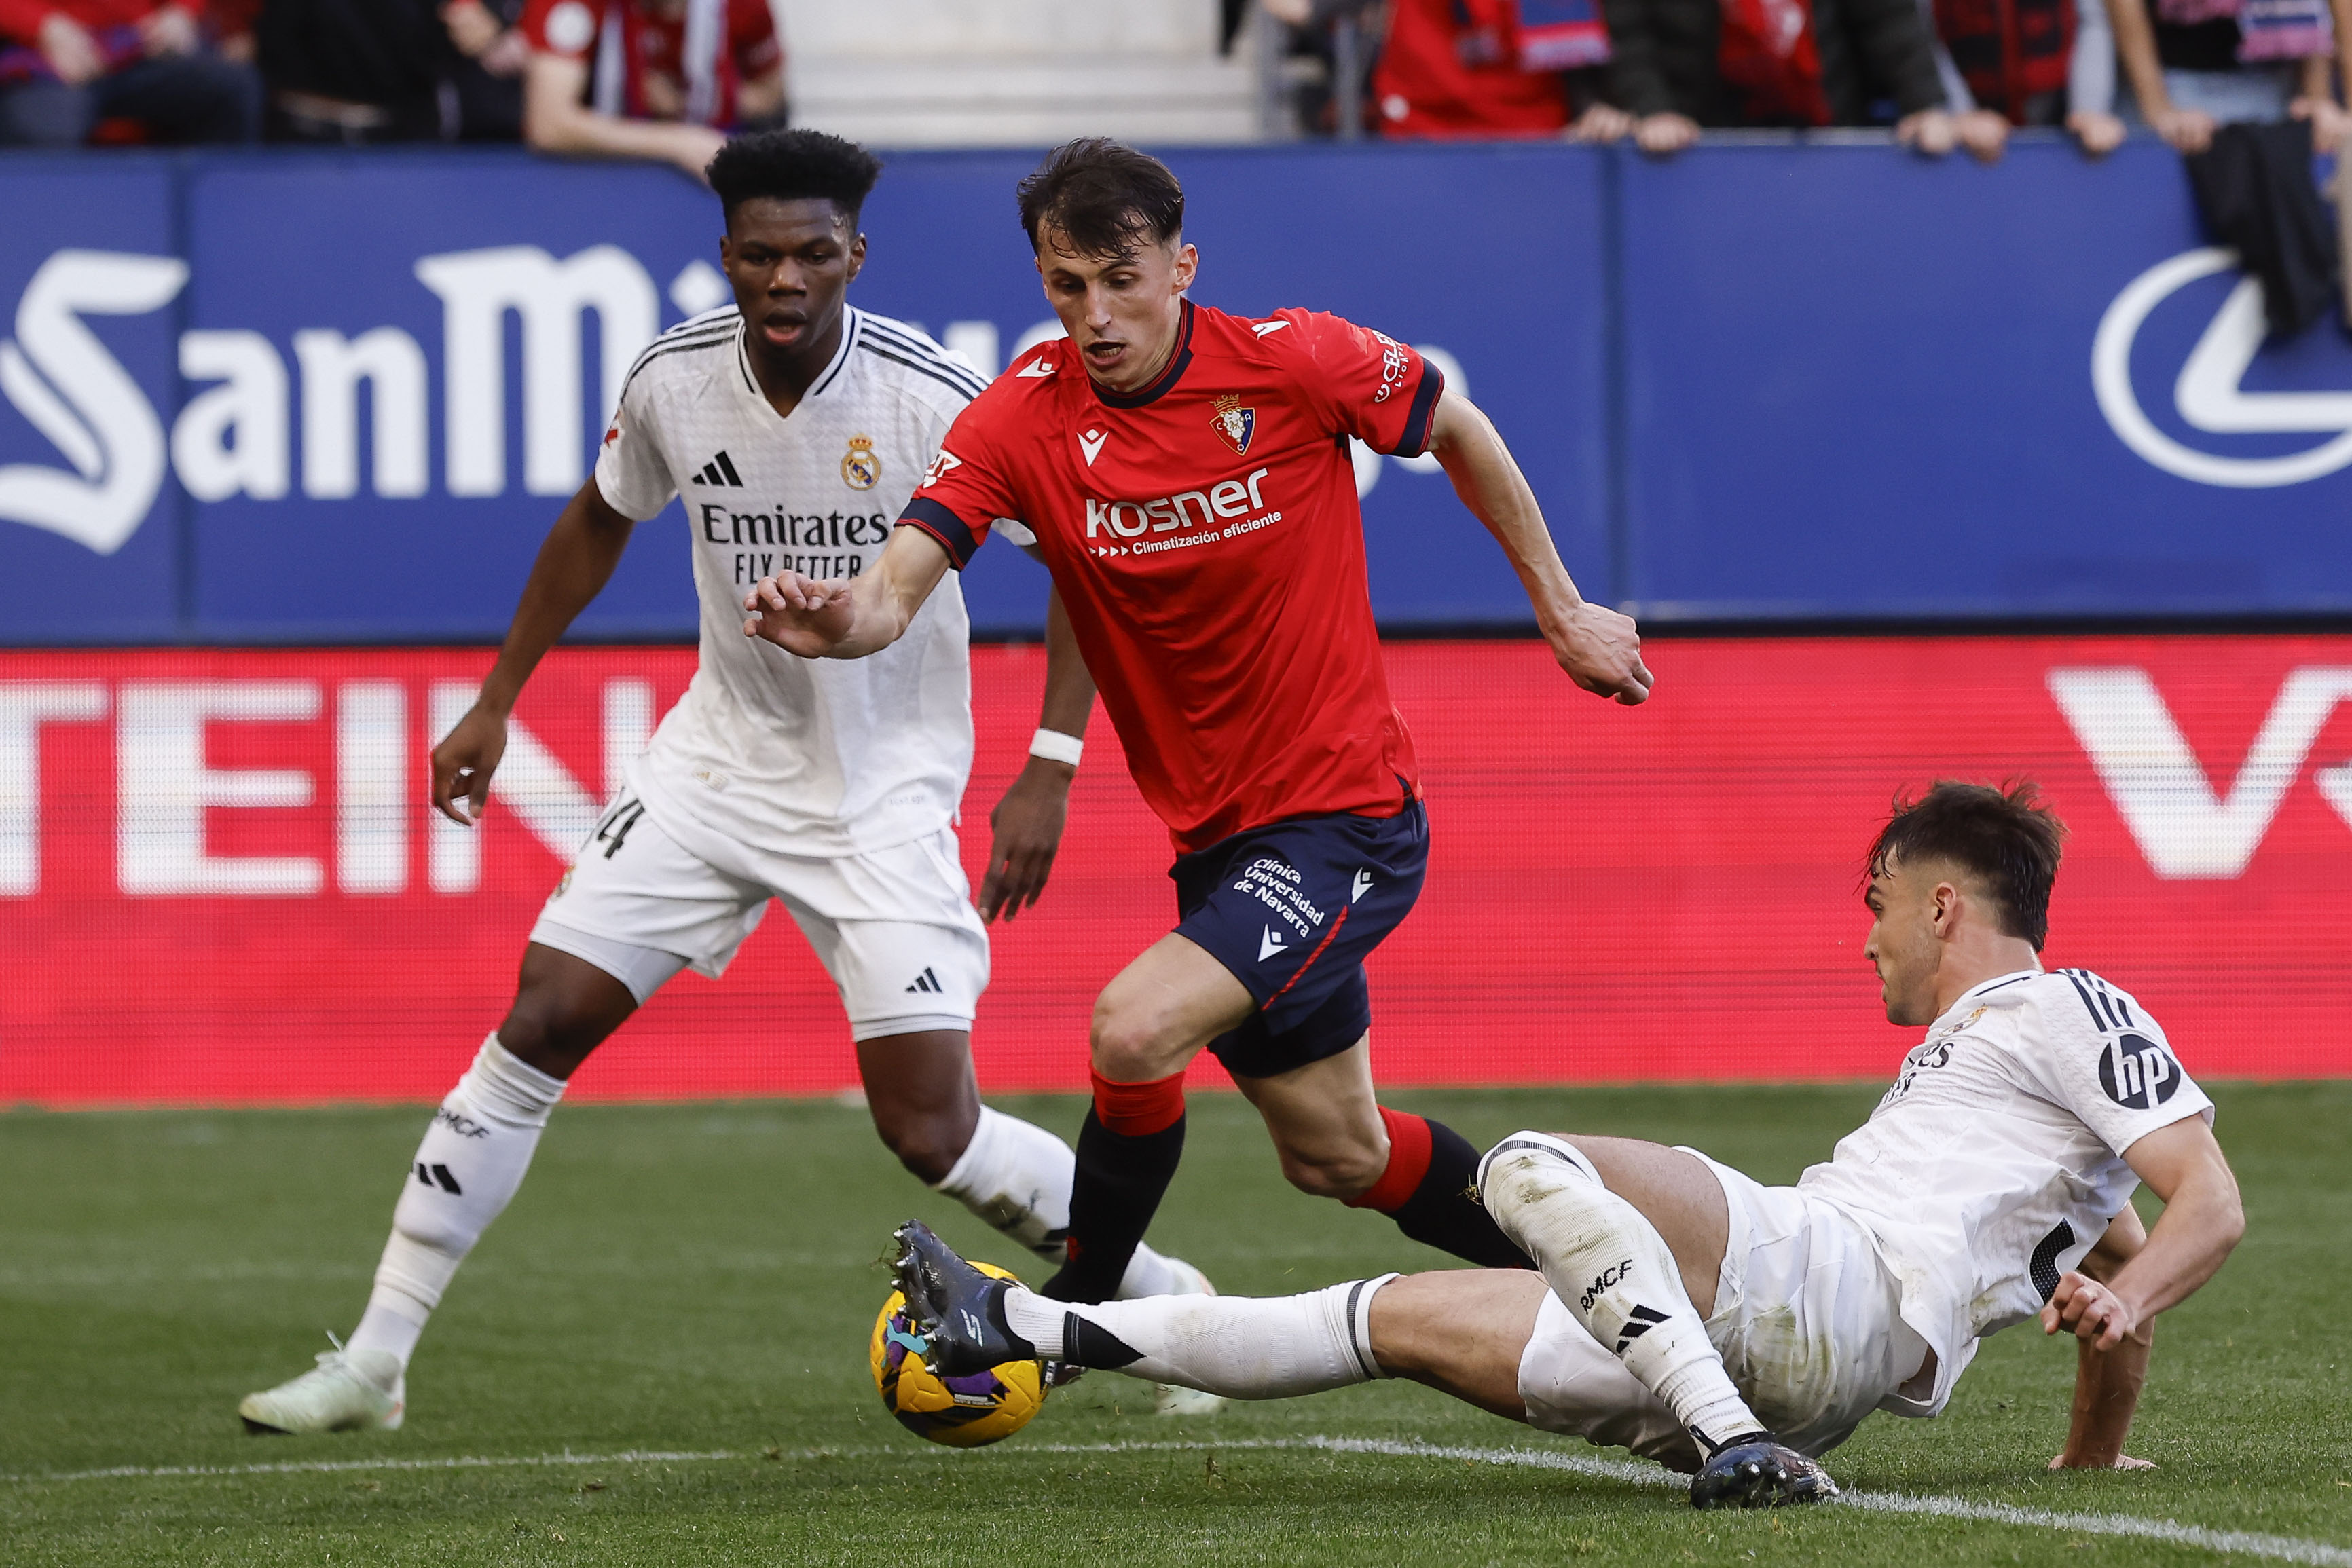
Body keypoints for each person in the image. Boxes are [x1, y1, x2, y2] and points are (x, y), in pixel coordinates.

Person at [235, 128, 1210, 1437]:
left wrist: (1049, 764)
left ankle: (1163, 1301)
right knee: (540, 1020)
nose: (785, 278)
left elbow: (1078, 565)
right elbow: (599, 516)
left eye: (812, 253)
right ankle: (376, 1360)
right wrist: (497, 697)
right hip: (714, 769)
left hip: (879, 796)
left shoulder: (938, 401)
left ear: (855, 255)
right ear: (726, 257)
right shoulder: (671, 380)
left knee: (931, 1132)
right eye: (759, 255)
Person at [739, 138, 1654, 1307]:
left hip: (1345, 820)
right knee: (1339, 1153)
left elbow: (1456, 427)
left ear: (1181, 266)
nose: (1095, 315)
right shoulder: (1019, 420)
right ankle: (1624, 1290)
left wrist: (1562, 610)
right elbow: (890, 593)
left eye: (1121, 279)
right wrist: (838, 620)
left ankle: (1069, 1319)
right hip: (1218, 844)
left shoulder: (1292, 361)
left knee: (1132, 1030)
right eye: (1067, 285)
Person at [895, 781, 2247, 1508]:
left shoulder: (2063, 1005)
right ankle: (1014, 1325)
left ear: (1942, 906)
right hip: (1808, 1377)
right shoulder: (1999, 1097)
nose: (1866, 937)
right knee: (1383, 1317)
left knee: (1526, 1164)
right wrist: (2091, 1435)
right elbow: (2115, 1243)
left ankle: (1724, 1438)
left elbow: (2208, 1201)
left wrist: (2128, 1294)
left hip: (1818, 1281)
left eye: (1876, 902)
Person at [517, 0, 784, 183]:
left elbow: (769, 96)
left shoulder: (741, 6)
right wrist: (677, 143)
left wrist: (690, 100)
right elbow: (549, 125)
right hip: (594, 174)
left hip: (705, 179)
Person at [0, 0, 259, 145]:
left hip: (139, 47)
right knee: (45, 130)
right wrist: (43, 27)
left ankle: (217, 220)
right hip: (39, 58)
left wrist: (181, 12)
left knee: (230, 88)